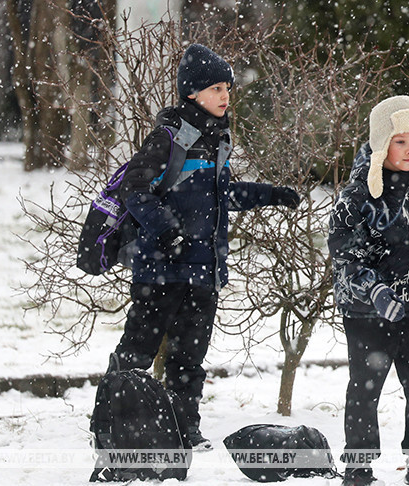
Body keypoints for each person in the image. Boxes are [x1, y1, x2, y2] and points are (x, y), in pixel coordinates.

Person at [106, 43, 301, 451]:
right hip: (160, 270)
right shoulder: (168, 139)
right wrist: (168, 233)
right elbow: (135, 191)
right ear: (192, 93)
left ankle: (184, 431)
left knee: (189, 359)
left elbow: (221, 194)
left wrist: (271, 194)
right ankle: (110, 427)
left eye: (227, 87)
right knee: (137, 352)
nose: (226, 95)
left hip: (203, 270)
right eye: (216, 88)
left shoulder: (217, 140)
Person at [328, 95, 409, 486]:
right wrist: (377, 292)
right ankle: (358, 469)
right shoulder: (357, 196)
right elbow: (345, 256)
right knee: (365, 389)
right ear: (383, 142)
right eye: (401, 141)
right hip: (367, 312)